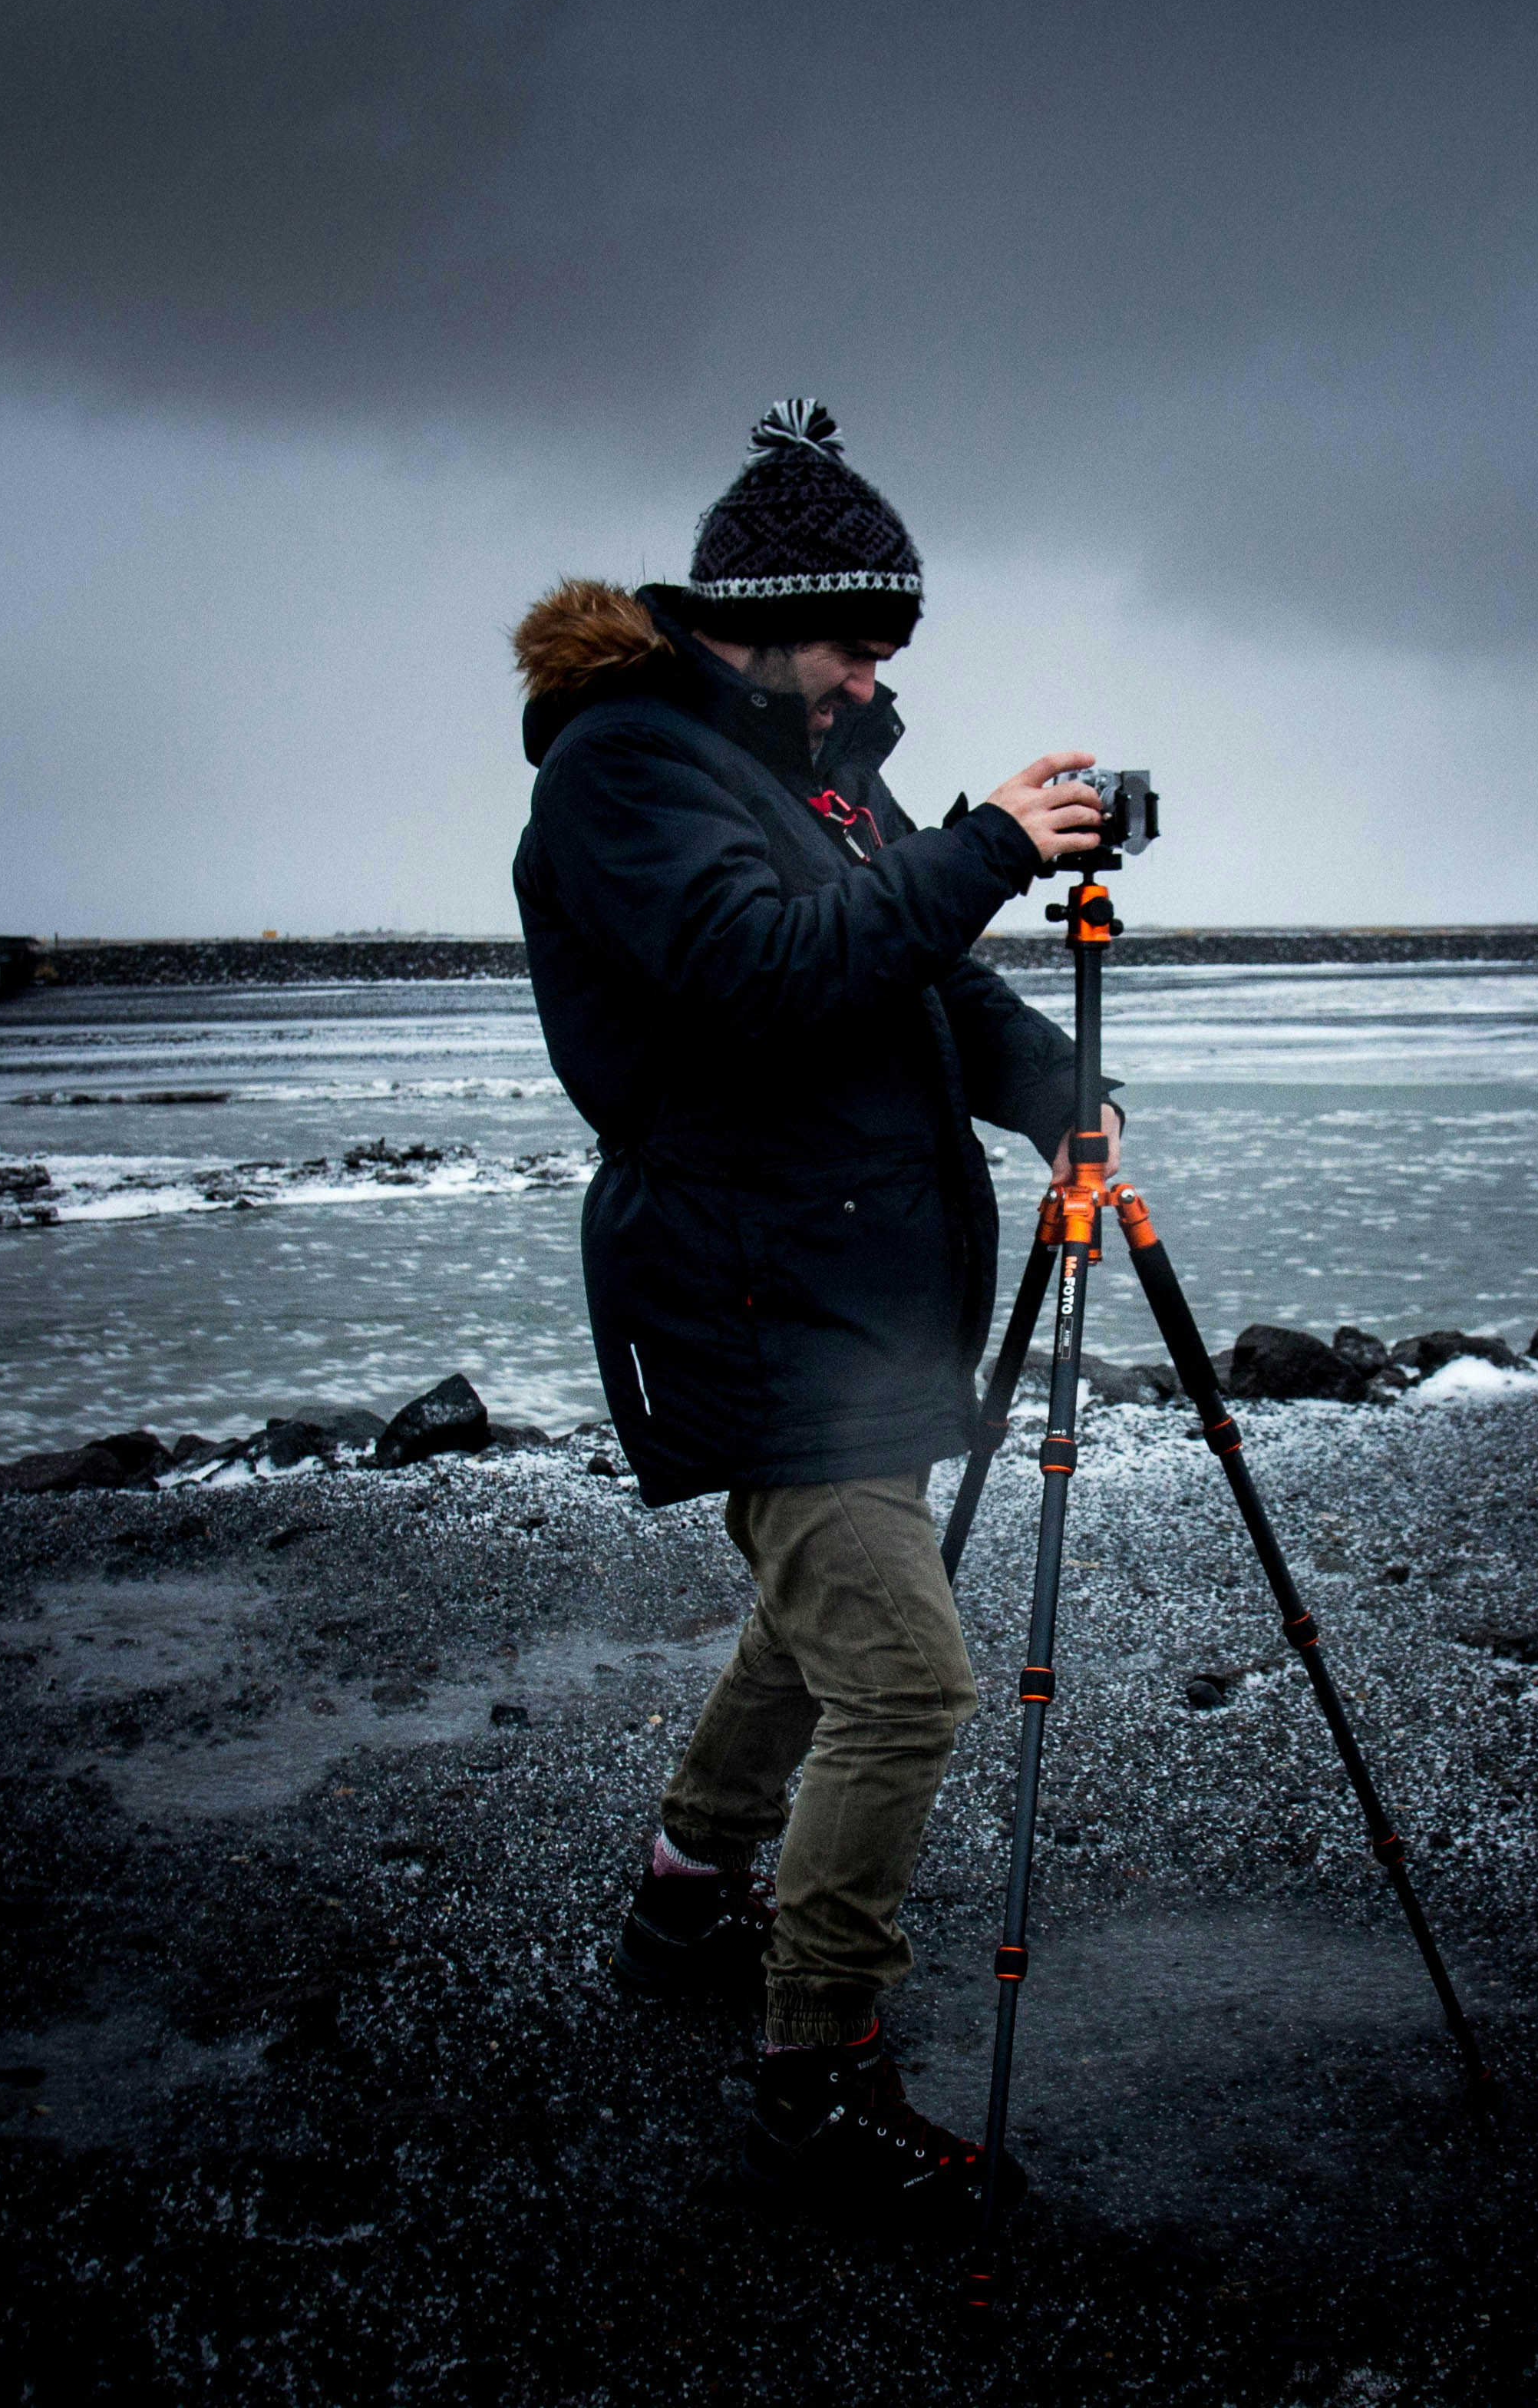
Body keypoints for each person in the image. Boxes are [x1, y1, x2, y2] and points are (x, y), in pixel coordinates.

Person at [507, 398, 1120, 2218]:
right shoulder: (628, 769)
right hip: (753, 1288)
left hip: (858, 1289)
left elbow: (907, 987)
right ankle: (818, 2072)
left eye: (887, 652)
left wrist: (1054, 1098)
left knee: (823, 1619)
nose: (873, 677)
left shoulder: (810, 773)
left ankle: (689, 1894)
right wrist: (990, 846)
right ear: (757, 623)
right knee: (911, 1680)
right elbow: (764, 975)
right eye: (857, 642)